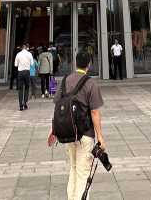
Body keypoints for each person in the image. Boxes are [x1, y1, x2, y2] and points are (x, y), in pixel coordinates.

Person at [48, 51, 106, 200]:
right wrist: (100, 137)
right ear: (89, 64)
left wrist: (53, 130)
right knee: (83, 173)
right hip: (85, 135)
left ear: (76, 63)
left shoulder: (65, 80)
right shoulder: (91, 83)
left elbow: (58, 106)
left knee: (73, 169)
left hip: (68, 134)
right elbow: (94, 112)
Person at [14, 43, 34, 111]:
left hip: (20, 72)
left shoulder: (18, 54)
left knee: (20, 89)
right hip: (27, 72)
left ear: (22, 48)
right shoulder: (29, 54)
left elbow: (16, 65)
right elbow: (32, 64)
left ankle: (20, 105)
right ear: (26, 48)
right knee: (27, 87)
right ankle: (25, 103)